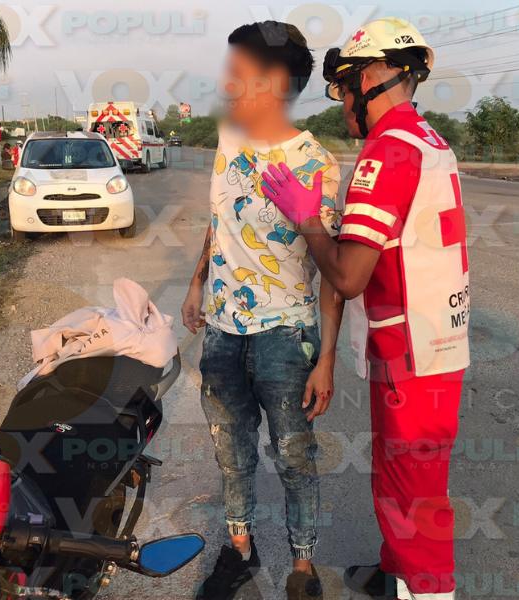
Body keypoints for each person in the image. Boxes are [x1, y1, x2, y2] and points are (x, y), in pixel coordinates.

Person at [262, 18, 470, 600]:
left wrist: (305, 217)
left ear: (374, 76)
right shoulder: (429, 140)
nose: (345, 103)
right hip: (430, 341)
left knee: (413, 489)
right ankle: (396, 568)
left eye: (345, 87)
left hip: (410, 352)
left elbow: (350, 276)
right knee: (399, 476)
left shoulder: (387, 152)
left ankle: (427, 589)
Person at [181, 20, 344, 600]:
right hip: (223, 332)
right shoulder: (228, 141)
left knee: (294, 455)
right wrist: (197, 283)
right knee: (231, 450)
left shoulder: (317, 161)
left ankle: (302, 568)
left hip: (286, 336)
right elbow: (217, 220)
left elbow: (333, 272)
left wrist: (326, 357)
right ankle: (241, 548)